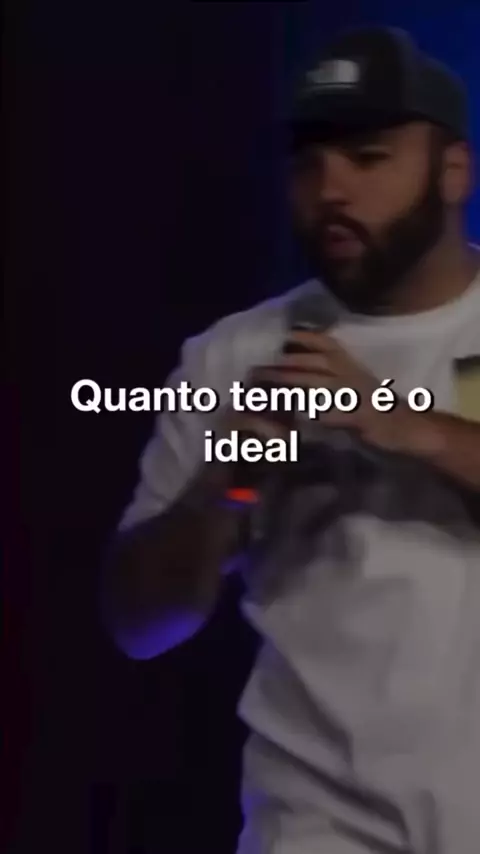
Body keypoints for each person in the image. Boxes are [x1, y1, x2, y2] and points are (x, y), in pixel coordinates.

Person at [102, 27, 480, 854]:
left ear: (455, 171)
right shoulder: (234, 354)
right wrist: (227, 485)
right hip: (315, 827)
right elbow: (139, 626)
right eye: (308, 165)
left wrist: (405, 424)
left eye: (368, 158)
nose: (330, 189)